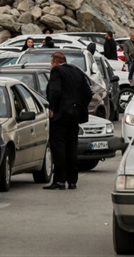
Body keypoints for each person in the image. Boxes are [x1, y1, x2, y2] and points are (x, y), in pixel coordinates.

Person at [45, 52, 93, 190]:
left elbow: (55, 91)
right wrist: (81, 106)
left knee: (58, 145)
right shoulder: (76, 71)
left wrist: (52, 108)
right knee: (72, 146)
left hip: (61, 113)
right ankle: (72, 180)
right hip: (75, 113)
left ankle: (59, 180)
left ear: (55, 61)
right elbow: (88, 93)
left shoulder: (56, 71)